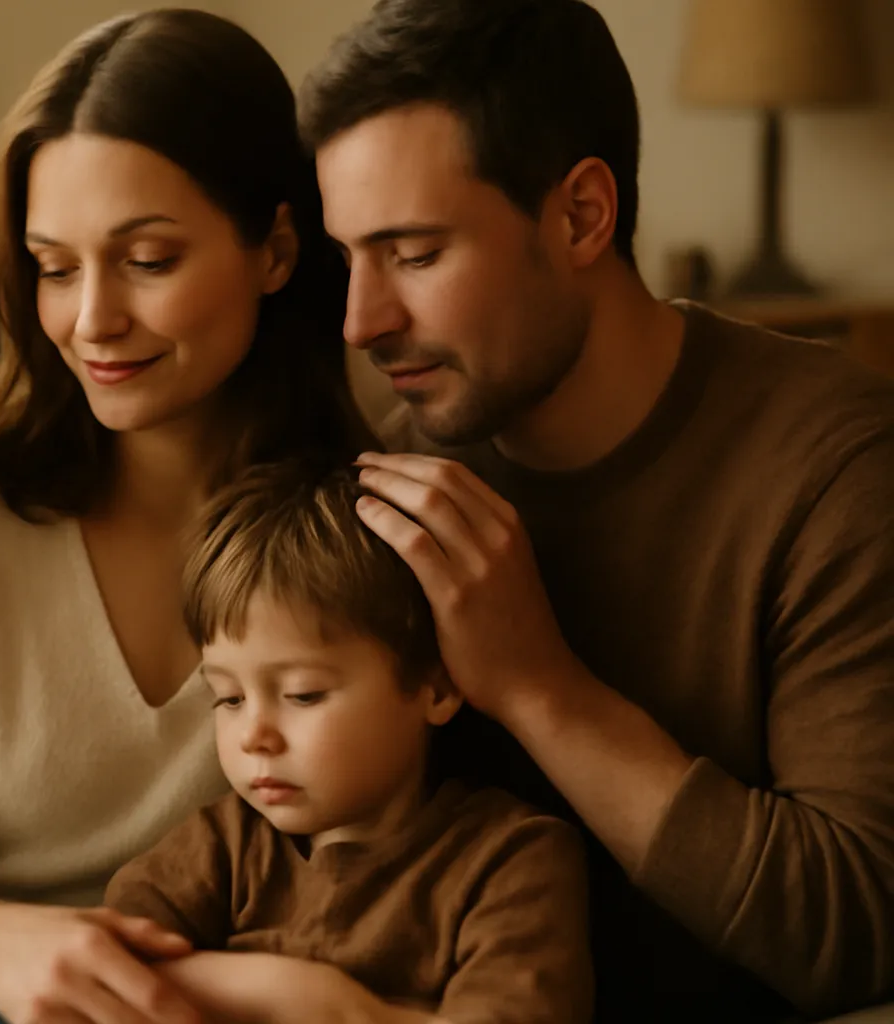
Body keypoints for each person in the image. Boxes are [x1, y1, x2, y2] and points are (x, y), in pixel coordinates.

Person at [300, 0, 894, 1020]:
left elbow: (857, 930)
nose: (362, 320)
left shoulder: (837, 465)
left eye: (416, 253)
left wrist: (539, 687)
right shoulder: (399, 475)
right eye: (349, 257)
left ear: (581, 216)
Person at [0, 10, 385, 1024]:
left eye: (147, 260)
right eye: (55, 268)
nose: (91, 321)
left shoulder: (363, 535)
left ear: (277, 249)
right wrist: (16, 956)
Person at [103, 459, 593, 1024]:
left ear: (434, 688)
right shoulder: (222, 846)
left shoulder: (510, 860)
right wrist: (280, 991)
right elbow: (106, 964)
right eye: (229, 699)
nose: (254, 735)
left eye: (303, 694)